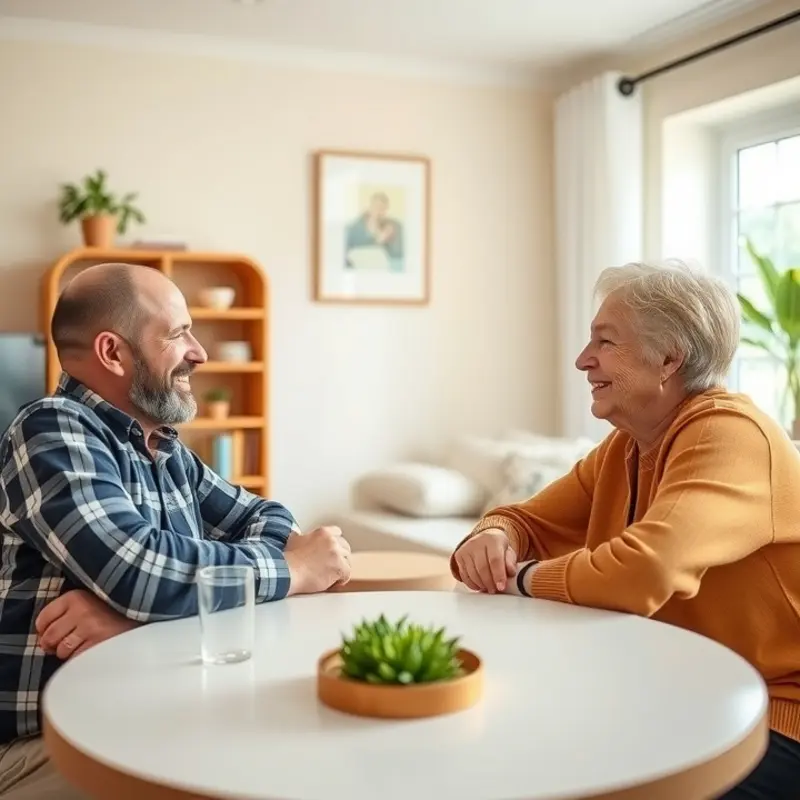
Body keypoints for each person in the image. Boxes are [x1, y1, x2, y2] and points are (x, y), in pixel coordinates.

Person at [0, 262, 352, 799]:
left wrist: (139, 618)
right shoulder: (50, 428)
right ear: (112, 352)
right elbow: (139, 570)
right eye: (176, 333)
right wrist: (295, 569)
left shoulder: (165, 450)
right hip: (47, 742)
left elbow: (271, 521)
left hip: (144, 709)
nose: (199, 352)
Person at [451, 260, 800, 799]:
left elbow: (644, 570)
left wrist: (519, 577)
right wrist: (492, 535)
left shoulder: (732, 435)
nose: (582, 360)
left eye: (605, 342)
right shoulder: (624, 447)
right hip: (675, 695)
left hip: (768, 713)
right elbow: (526, 520)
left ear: (669, 359)